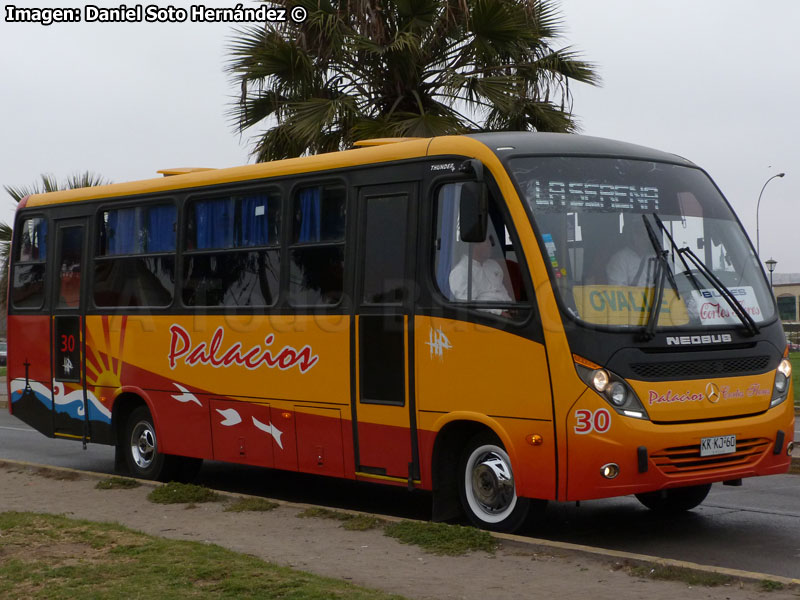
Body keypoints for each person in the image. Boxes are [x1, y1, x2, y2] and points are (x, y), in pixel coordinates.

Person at [449, 236, 512, 310]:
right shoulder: (460, 272)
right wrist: (499, 312)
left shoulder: (494, 265)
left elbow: (501, 290)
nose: (491, 246)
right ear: (474, 245)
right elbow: (470, 305)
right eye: (487, 243)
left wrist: (511, 305)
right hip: (484, 317)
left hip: (506, 309)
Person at [606, 219, 655, 286]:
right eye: (641, 234)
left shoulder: (656, 259)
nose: (646, 238)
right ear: (633, 236)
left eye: (648, 235)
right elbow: (618, 291)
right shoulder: (620, 259)